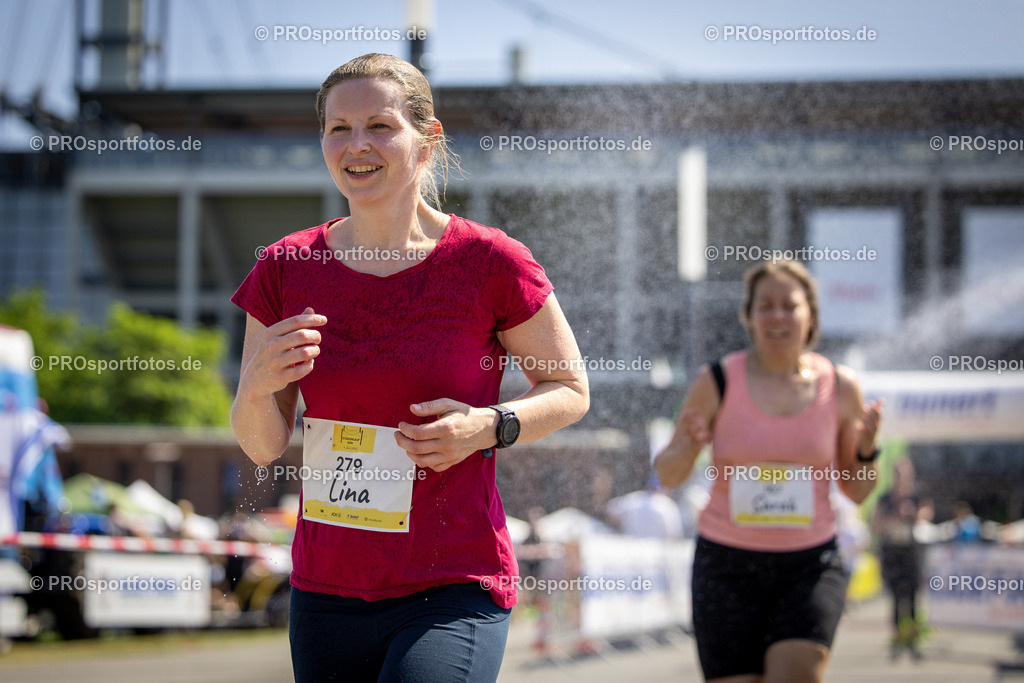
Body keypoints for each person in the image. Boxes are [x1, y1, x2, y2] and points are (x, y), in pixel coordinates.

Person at [229, 53, 589, 682]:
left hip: (452, 584)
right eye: (338, 128)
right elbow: (261, 445)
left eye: (380, 126)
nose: (357, 145)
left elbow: (569, 388)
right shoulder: (285, 268)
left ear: (428, 140)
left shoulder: (490, 262)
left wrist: (487, 425)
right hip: (327, 589)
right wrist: (258, 384)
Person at [654, 260, 882, 683]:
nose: (777, 315)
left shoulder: (842, 386)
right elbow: (667, 475)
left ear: (810, 315)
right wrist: (688, 444)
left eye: (789, 305)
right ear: (749, 317)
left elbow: (858, 492)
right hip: (726, 566)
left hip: (809, 565)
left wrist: (866, 454)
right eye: (765, 305)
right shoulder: (717, 379)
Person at [872, 457, 929, 660]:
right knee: (896, 597)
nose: (901, 477)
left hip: (911, 552)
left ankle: (913, 638)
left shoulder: (916, 495)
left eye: (904, 473)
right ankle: (897, 638)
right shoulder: (886, 498)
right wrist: (894, 515)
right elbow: (877, 525)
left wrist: (912, 513)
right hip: (892, 552)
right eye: (897, 473)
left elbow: (926, 514)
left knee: (913, 596)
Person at [605, 473, 684, 539]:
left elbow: (611, 509)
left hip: (632, 550)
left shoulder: (635, 499)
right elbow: (675, 536)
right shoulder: (667, 505)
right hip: (657, 553)